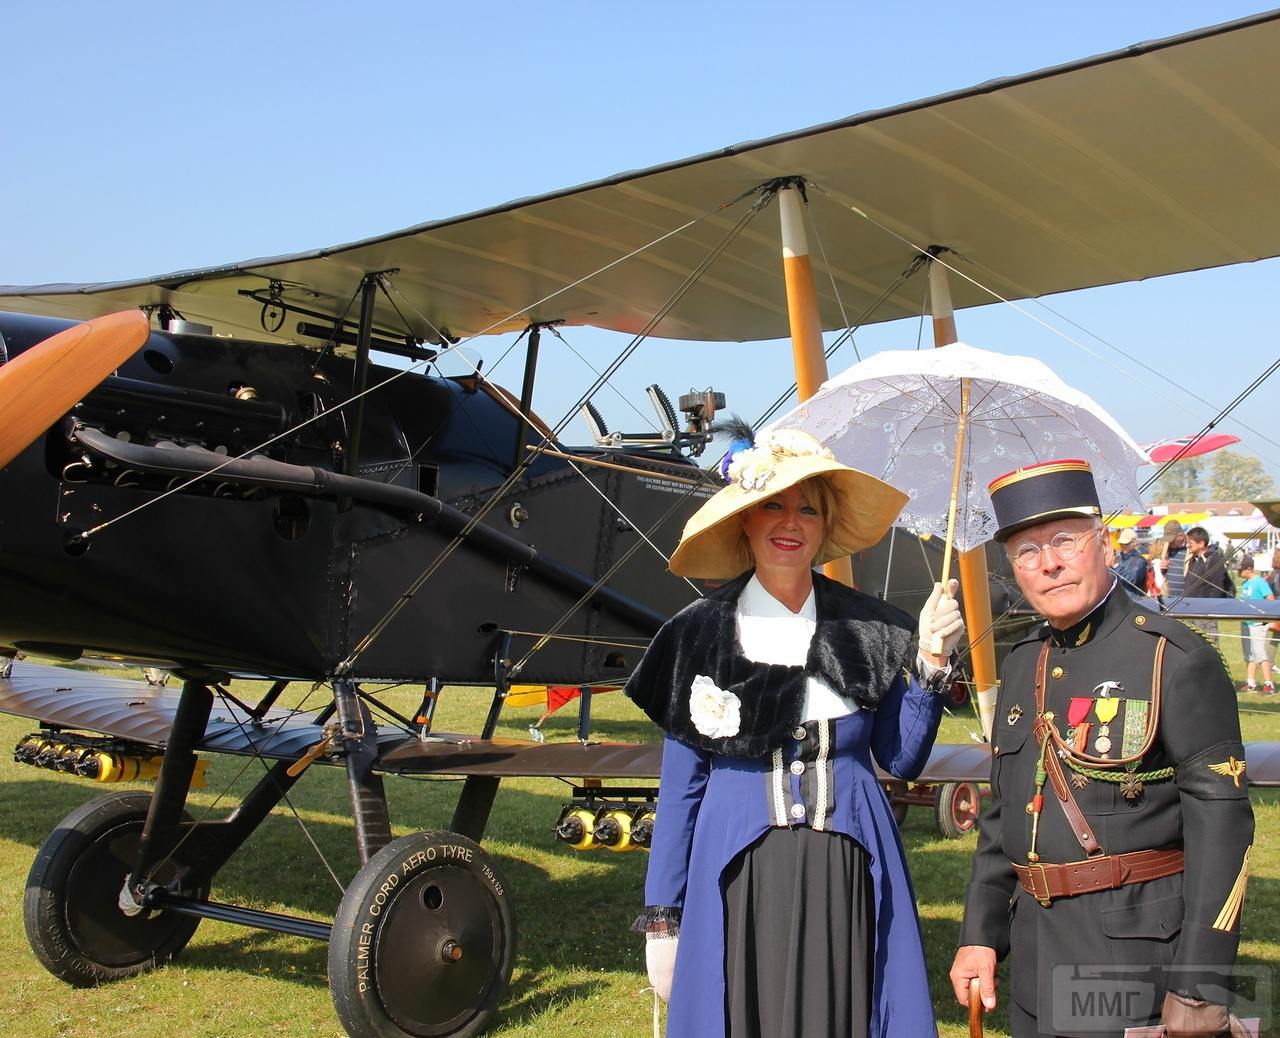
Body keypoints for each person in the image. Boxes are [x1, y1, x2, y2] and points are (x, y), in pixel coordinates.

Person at [628, 428, 963, 1038]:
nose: (791, 522)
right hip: (737, 872)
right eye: (773, 505)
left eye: (808, 507)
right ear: (745, 523)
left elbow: (903, 758)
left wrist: (932, 666)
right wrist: (663, 919)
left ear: (825, 525)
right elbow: (680, 792)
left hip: (848, 866)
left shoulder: (874, 628)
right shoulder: (696, 635)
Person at [949, 459, 1254, 1038]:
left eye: (1065, 540)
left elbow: (1224, 834)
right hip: (1036, 957)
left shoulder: (1172, 659)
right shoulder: (1023, 665)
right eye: (1027, 552)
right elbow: (1002, 819)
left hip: (1131, 959)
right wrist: (979, 937)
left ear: (1105, 544)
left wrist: (1199, 985)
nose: (1050, 564)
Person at [1236, 559, 1274, 695]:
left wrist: (1264, 616)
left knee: (1260, 653)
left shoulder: (1260, 582)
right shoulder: (1245, 584)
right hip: (1245, 623)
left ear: (1249, 569)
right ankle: (1251, 683)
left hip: (1257, 623)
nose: (1238, 572)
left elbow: (1270, 599)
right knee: (1249, 655)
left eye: (1240, 569)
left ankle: (1269, 684)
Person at [1152, 518, 1188, 603]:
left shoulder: (1189, 551)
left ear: (1181, 536)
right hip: (1168, 598)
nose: (1170, 542)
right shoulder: (1165, 551)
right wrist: (1161, 569)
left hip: (1185, 598)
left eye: (1172, 539)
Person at [1110, 528, 1148, 598]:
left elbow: (1133, 580)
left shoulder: (1140, 561)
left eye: (1126, 544)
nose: (1123, 546)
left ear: (1134, 543)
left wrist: (1116, 566)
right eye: (1121, 543)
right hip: (1118, 600)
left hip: (1133, 602)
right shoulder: (1118, 558)